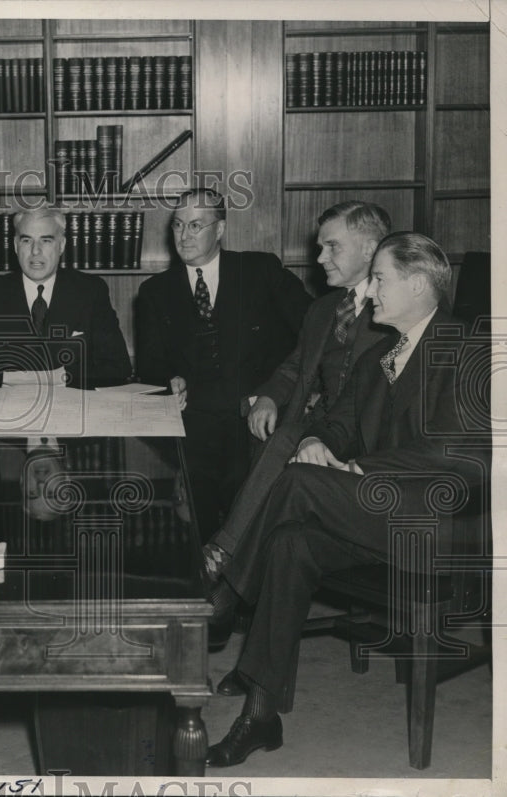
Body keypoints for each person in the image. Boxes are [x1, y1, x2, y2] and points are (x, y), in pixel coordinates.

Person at [205, 232, 476, 767]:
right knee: (288, 543)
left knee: (299, 484)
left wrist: (358, 468)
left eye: (381, 279)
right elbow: (340, 424)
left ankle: (227, 594)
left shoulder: (466, 348)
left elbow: (459, 453)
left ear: (420, 285)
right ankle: (260, 713)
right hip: (371, 515)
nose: (369, 292)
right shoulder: (380, 356)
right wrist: (315, 442)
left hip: (438, 522)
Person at [202, 201, 392, 585]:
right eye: (320, 247)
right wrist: (269, 396)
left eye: (331, 246)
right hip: (321, 428)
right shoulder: (324, 309)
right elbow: (294, 366)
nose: (319, 258)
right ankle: (236, 570)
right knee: (265, 432)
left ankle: (224, 552)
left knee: (286, 438)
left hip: (370, 437)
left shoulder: (397, 305)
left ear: (371, 249)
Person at [135, 188, 311, 540]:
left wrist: (276, 393)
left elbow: (313, 331)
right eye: (178, 225)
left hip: (253, 416)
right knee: (195, 523)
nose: (184, 236)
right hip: (190, 422)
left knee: (251, 521)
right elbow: (149, 364)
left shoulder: (260, 270)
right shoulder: (154, 290)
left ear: (219, 230)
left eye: (196, 225)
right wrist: (169, 380)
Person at [0, 206, 133, 389]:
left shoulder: (90, 291)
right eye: (26, 240)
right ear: (15, 245)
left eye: (46, 240)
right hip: (11, 410)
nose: (35, 251)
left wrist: (63, 377)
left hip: (73, 410)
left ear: (61, 245)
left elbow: (118, 368)